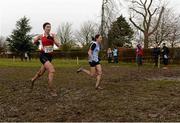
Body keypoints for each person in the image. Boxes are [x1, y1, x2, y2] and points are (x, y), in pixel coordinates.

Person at [30, 22, 61, 97]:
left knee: (41, 73)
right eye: (47, 27)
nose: (49, 28)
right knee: (52, 70)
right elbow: (33, 41)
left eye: (50, 27)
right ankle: (51, 90)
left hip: (49, 57)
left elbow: (58, 45)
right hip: (43, 56)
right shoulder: (41, 36)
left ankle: (33, 80)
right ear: (44, 28)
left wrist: (53, 38)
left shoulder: (53, 35)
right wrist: (36, 42)